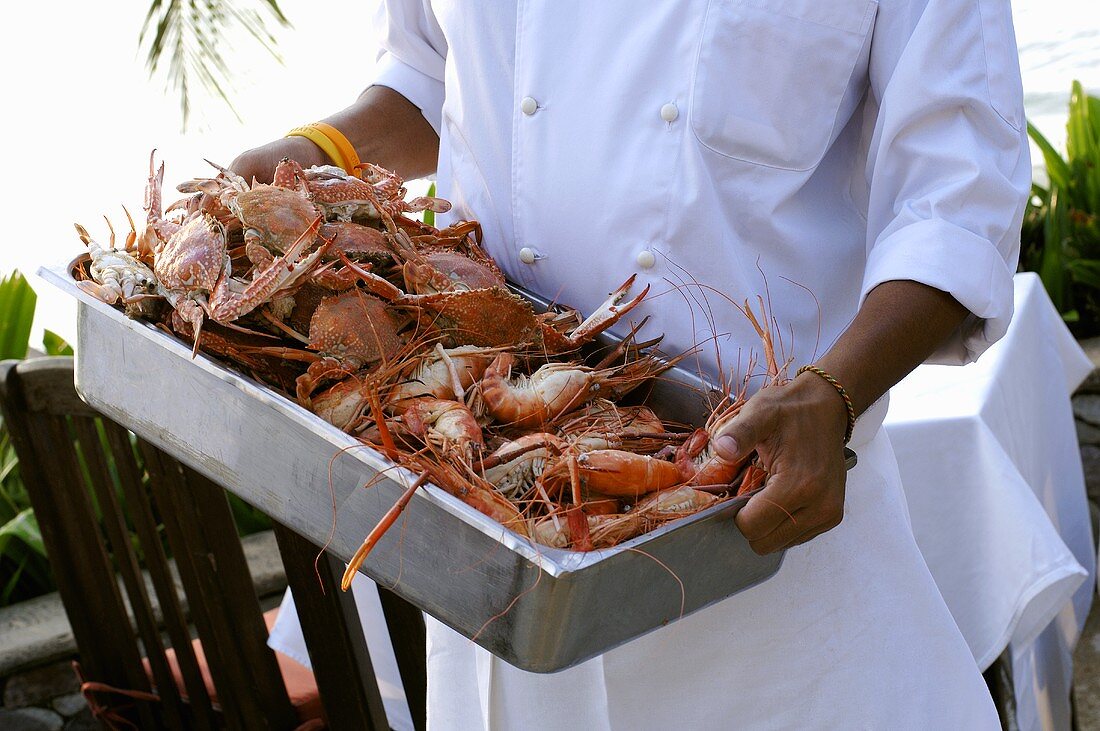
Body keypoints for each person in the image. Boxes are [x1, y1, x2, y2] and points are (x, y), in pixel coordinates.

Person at [234, 0, 1030, 727]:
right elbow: (428, 75)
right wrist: (310, 153)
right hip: (500, 540)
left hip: (761, 552)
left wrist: (833, 390)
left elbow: (955, 200)